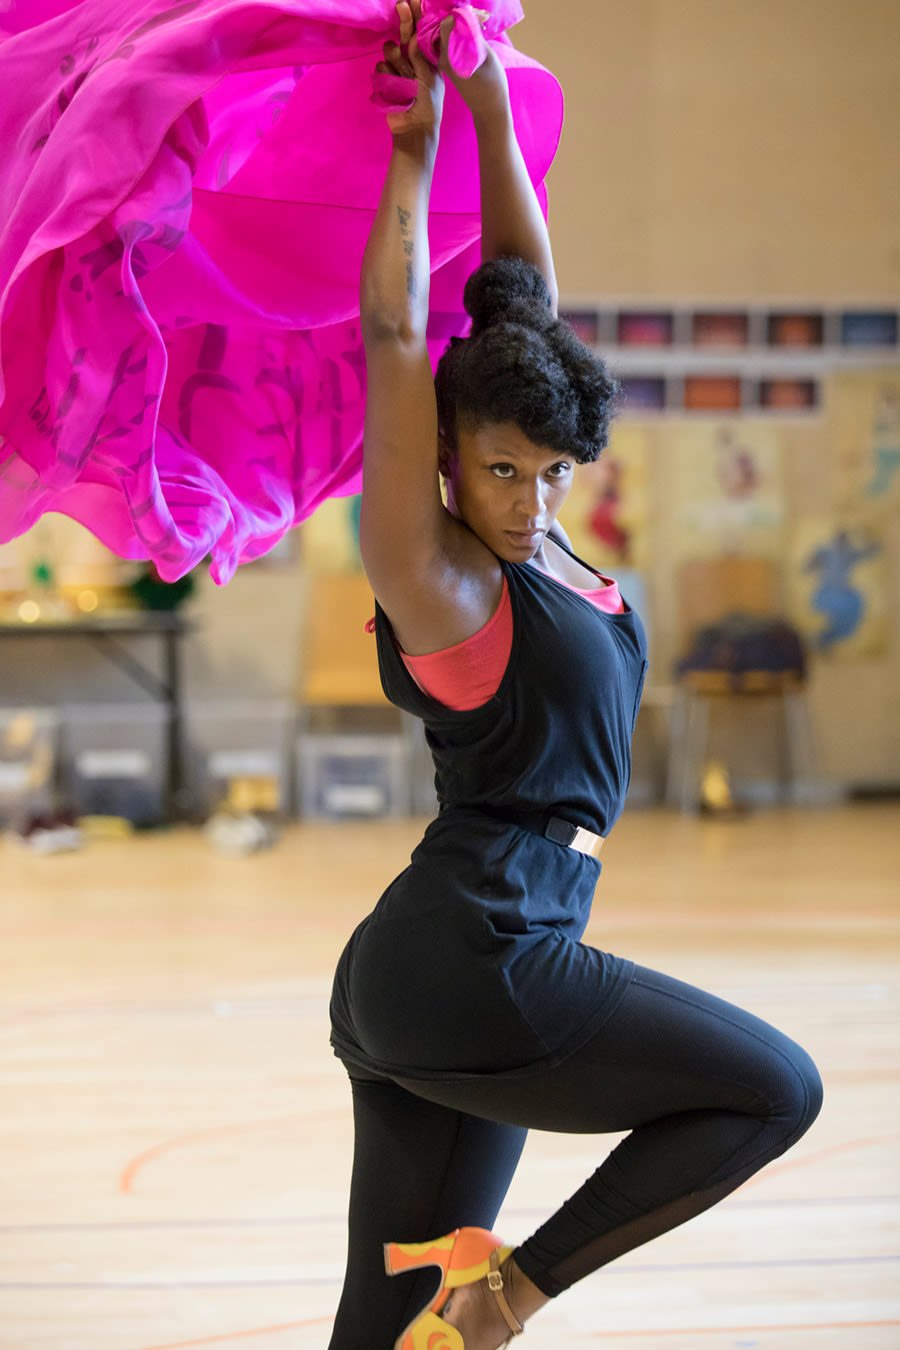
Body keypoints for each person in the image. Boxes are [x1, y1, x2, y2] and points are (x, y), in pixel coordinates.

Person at [328, 5, 823, 1347]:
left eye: (551, 471)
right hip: (479, 959)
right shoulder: (439, 577)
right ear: (443, 459)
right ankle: (512, 1297)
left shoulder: (546, 546)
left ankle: (463, 1305)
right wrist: (415, 147)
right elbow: (393, 340)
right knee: (778, 1088)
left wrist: (488, 94)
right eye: (498, 469)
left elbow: (521, 297)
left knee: (390, 1331)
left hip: (441, 972)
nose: (529, 496)